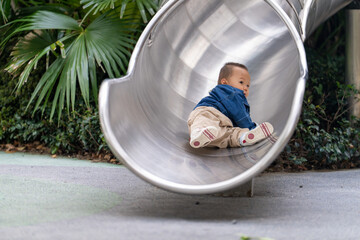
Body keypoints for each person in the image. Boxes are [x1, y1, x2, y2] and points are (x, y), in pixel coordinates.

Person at [187, 62, 274, 148]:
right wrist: (251, 127)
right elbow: (240, 115)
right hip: (210, 112)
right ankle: (199, 132)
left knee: (229, 135)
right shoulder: (231, 92)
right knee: (205, 121)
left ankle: (244, 137)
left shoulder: (238, 97)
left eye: (248, 85)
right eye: (241, 82)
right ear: (224, 83)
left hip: (222, 125)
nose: (245, 88)